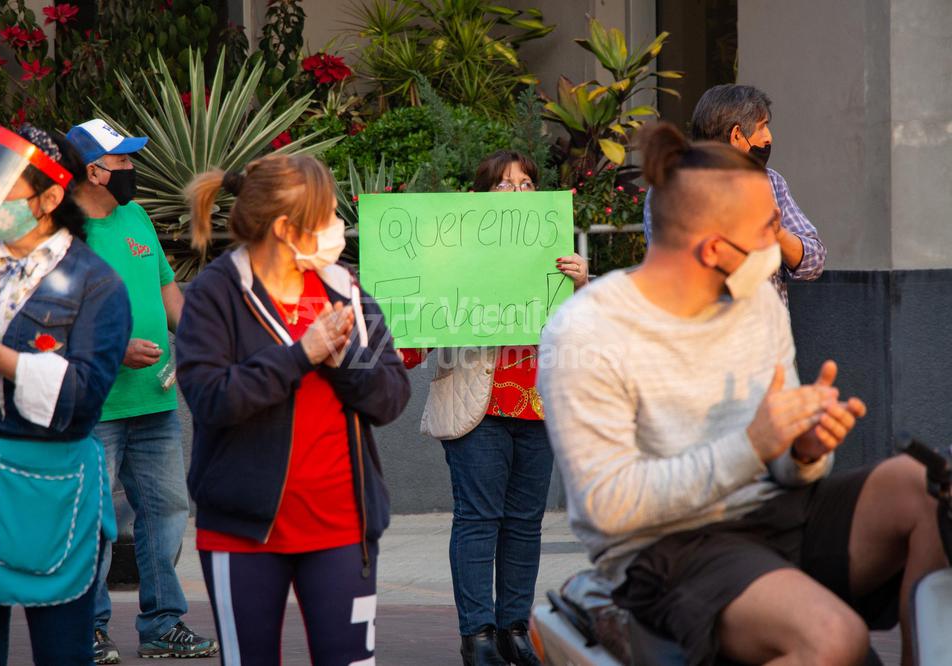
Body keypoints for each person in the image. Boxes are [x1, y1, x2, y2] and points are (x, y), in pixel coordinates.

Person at [538, 123, 946, 665]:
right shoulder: (587, 331)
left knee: (931, 488)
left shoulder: (757, 303)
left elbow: (786, 467)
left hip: (778, 514)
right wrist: (753, 444)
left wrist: (802, 449)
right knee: (835, 639)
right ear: (713, 248)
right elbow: (609, 507)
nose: (780, 242)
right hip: (669, 549)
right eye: (768, 229)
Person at [177, 153, 410, 665]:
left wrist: (342, 361)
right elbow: (211, 398)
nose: (337, 227)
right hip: (242, 532)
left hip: (343, 528)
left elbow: (392, 395)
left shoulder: (343, 288)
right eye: (326, 215)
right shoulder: (218, 292)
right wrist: (300, 355)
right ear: (285, 228)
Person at [0, 124, 131, 665]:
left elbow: (83, 399)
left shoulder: (97, 284)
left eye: (5, 190)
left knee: (62, 651)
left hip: (54, 489)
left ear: (50, 199)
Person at [401, 150, 589, 666]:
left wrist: (582, 286)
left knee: (526, 523)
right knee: (479, 519)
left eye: (527, 185)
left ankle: (514, 630)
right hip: (475, 404)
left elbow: (587, 333)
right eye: (505, 185)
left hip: (538, 405)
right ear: (478, 198)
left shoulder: (556, 257)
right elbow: (417, 331)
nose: (518, 194)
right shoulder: (450, 255)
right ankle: (478, 635)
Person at [66, 118, 217, 662]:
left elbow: (167, 291)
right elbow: (51, 320)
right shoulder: (63, 233)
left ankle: (162, 624)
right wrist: (114, 348)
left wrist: (205, 342)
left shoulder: (137, 217)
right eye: (124, 161)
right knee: (93, 523)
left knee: (167, 512)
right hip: (96, 405)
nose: (133, 169)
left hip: (155, 400)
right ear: (94, 171)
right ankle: (87, 628)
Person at [642, 84, 826, 304]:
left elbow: (814, 262)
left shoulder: (771, 181)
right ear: (737, 134)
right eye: (762, 126)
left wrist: (778, 233)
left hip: (765, 323)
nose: (769, 137)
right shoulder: (673, 185)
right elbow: (678, 269)